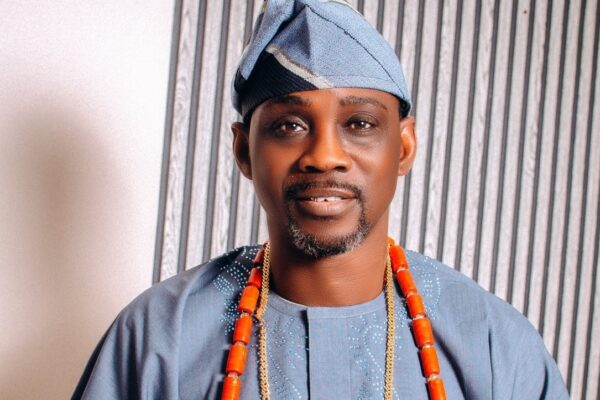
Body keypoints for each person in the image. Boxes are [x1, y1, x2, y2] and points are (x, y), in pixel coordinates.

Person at [73, 1, 569, 399]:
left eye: (360, 124)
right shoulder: (160, 337)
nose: (324, 156)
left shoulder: (493, 345)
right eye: (290, 125)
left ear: (404, 147)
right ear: (244, 151)